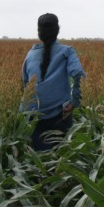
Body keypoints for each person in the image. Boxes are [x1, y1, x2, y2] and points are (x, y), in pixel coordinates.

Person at [21, 13, 84, 151]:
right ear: (58, 30)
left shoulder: (30, 55)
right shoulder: (67, 51)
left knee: (38, 156)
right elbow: (78, 73)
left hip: (32, 116)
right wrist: (75, 101)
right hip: (59, 115)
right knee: (58, 156)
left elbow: (25, 84)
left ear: (39, 33)